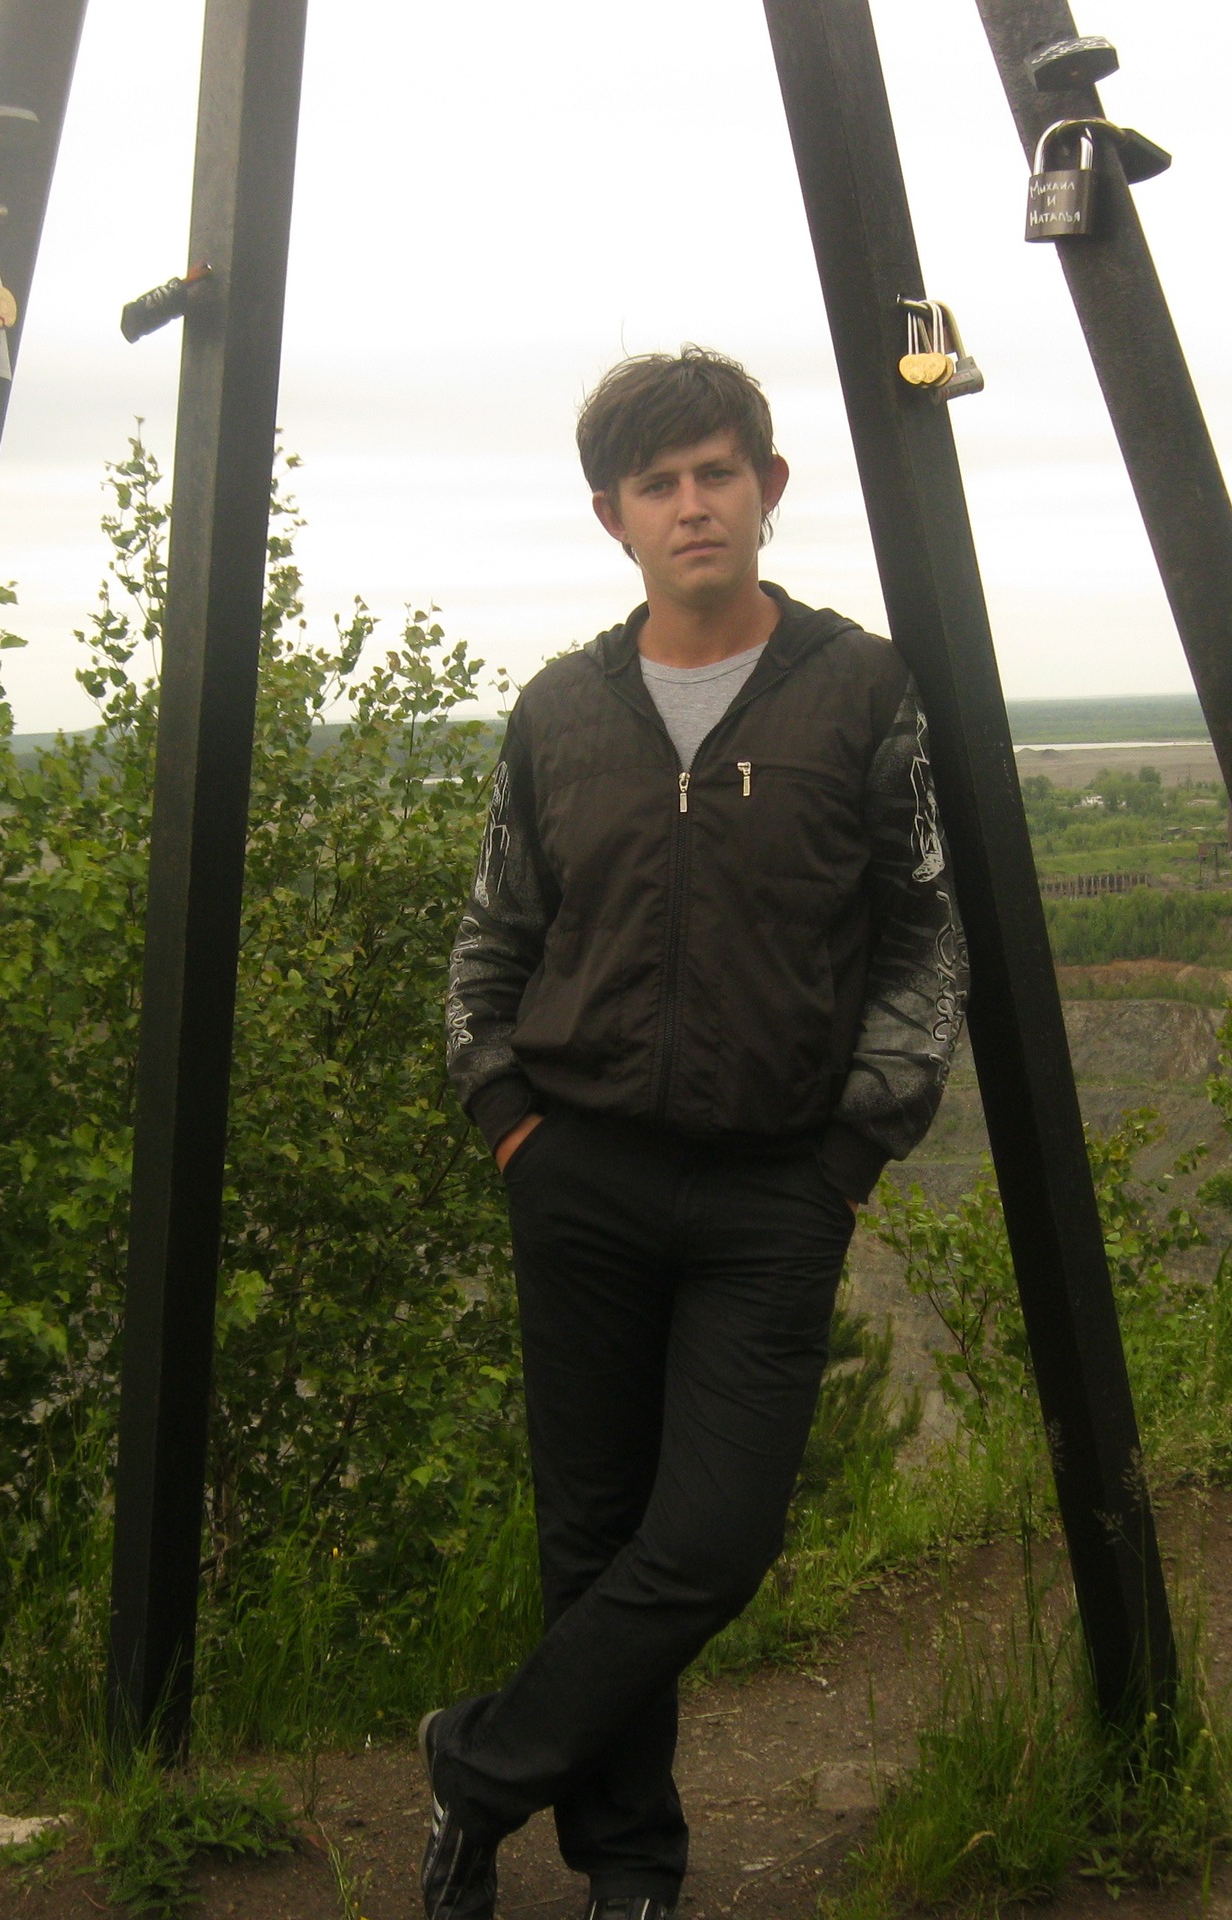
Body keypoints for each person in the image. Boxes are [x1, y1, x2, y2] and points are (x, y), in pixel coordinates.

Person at [427, 347, 967, 1920]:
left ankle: (476, 1766)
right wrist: (509, 1120)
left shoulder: (860, 692)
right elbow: (492, 941)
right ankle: (631, 1865)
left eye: (717, 472)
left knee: (715, 1541)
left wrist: (851, 1154)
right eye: (657, 484)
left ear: (768, 488)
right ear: (614, 516)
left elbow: (923, 937)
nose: (692, 505)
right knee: (593, 1537)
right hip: (576, 1175)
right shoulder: (560, 712)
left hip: (773, 1189)